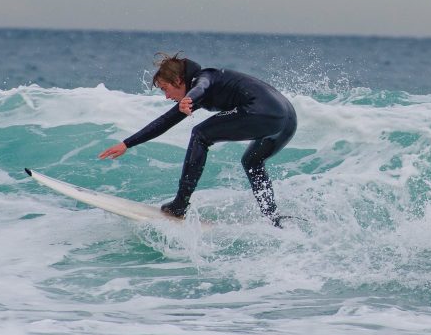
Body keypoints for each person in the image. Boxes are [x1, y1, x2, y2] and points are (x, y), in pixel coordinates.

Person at [99, 53, 297, 226]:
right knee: (252, 161)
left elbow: (201, 87)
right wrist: (127, 144)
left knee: (200, 134)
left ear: (178, 80)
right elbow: (165, 121)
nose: (167, 96)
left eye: (165, 88)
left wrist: (190, 98)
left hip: (263, 112)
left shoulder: (204, 78)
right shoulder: (197, 91)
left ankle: (180, 204)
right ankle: (272, 217)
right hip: (287, 120)